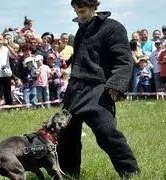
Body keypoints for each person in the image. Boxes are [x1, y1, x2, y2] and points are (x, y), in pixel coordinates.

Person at [57, 0, 140, 179]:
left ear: (94, 6)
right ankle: (69, 175)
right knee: (66, 135)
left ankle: (130, 173)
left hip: (99, 90)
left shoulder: (113, 28)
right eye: (77, 12)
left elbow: (124, 60)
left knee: (107, 133)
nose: (80, 16)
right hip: (75, 91)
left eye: (83, 11)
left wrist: (116, 86)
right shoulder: (81, 30)